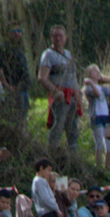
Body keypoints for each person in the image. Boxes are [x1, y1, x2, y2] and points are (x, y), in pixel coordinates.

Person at [39, 25, 81, 155]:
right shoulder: (48, 55)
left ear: (65, 38)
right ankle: (52, 156)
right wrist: (55, 91)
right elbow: (42, 78)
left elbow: (73, 76)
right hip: (60, 98)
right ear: (51, 38)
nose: (58, 39)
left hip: (73, 97)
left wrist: (79, 93)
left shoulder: (68, 54)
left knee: (73, 129)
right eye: (55, 36)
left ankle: (74, 158)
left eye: (61, 36)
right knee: (58, 126)